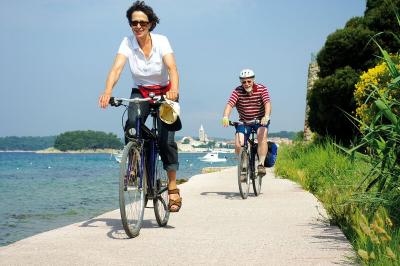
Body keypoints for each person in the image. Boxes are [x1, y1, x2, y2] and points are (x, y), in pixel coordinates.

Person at [98, 1, 182, 212]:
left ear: (150, 23)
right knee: (131, 125)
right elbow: (116, 69)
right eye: (134, 22)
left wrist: (174, 91)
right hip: (141, 92)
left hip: (165, 92)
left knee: (166, 140)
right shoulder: (127, 42)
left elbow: (172, 68)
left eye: (142, 22)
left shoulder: (161, 41)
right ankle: (134, 164)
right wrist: (107, 91)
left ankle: (172, 187)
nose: (138, 26)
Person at [222, 69, 271, 176]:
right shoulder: (237, 91)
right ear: (241, 82)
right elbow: (230, 105)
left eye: (249, 81)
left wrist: (266, 116)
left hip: (260, 120)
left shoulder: (262, 89)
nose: (246, 84)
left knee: (261, 136)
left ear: (253, 80)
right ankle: (243, 165)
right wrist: (225, 116)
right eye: (243, 82)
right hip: (244, 121)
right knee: (239, 143)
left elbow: (267, 103)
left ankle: (261, 164)